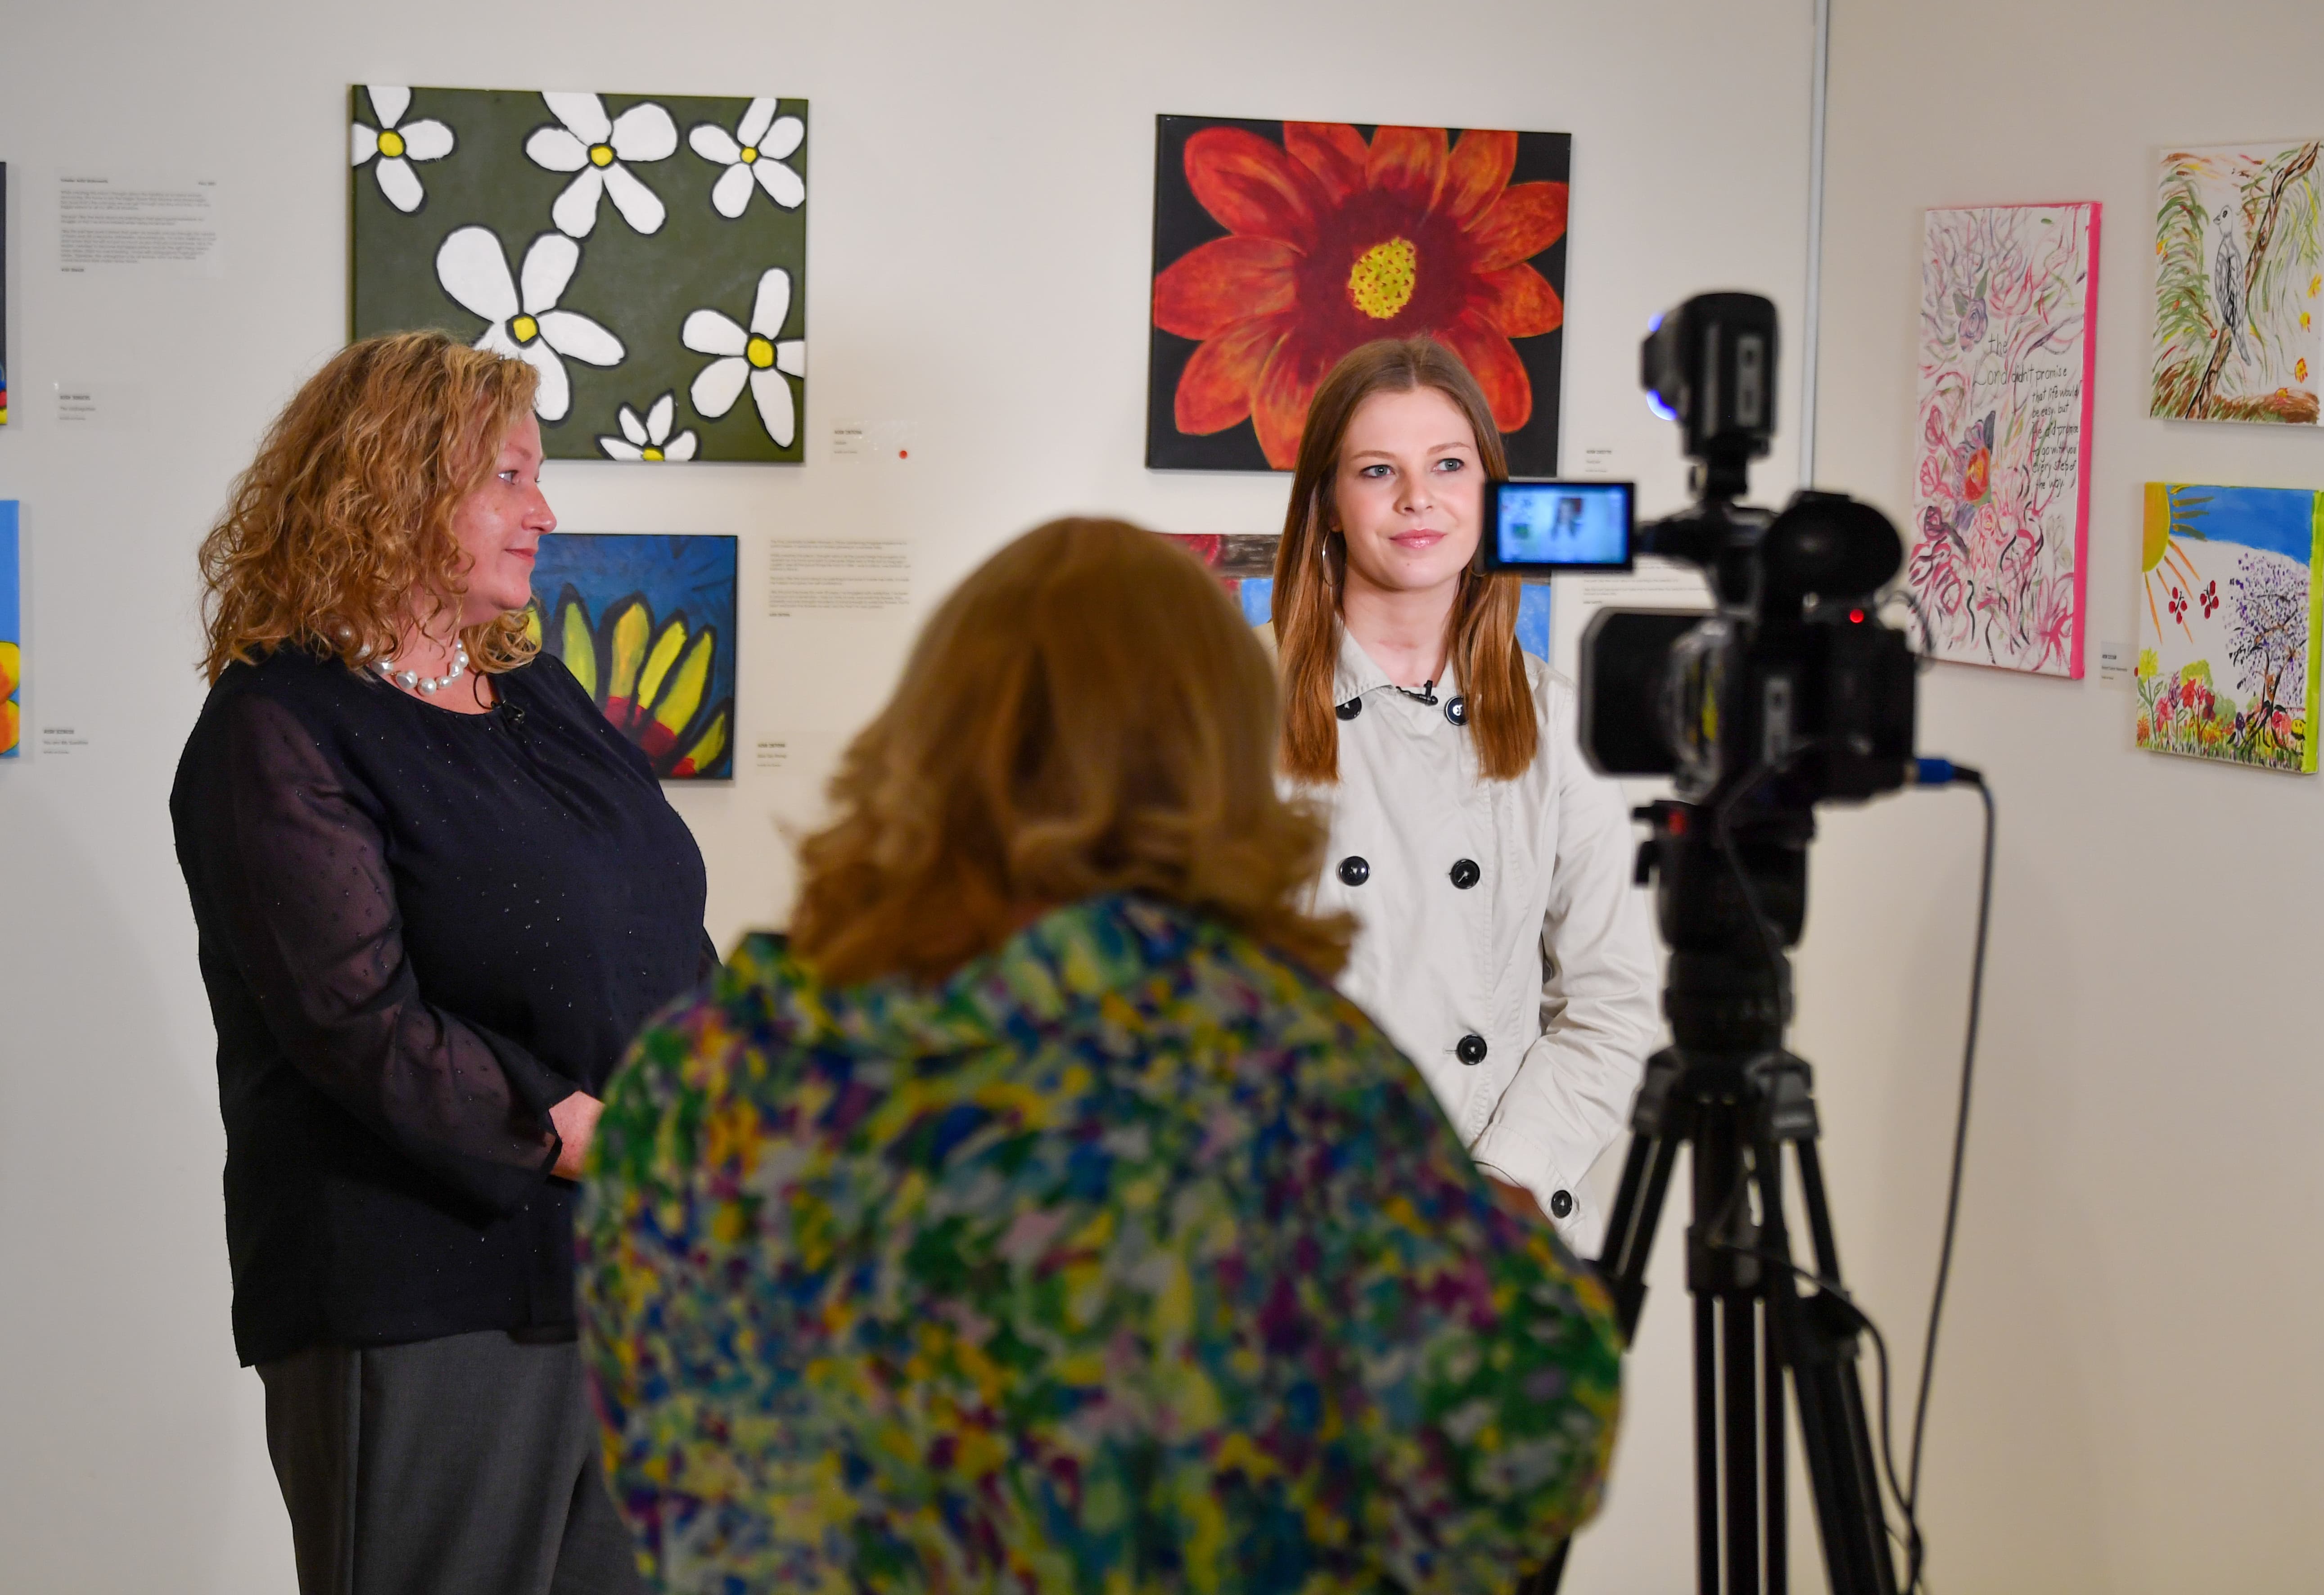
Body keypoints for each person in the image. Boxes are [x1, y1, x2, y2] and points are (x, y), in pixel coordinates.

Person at [574, 519, 1620, 1594]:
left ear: (929, 735)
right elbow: (1530, 1435)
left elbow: (667, 1465)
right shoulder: (1287, 1072)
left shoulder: (710, 1070)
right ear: (1219, 761)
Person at [170, 332, 715, 1595]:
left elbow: (656, 920)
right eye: (513, 477)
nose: (547, 510)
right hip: (422, 1302)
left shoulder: (533, 692)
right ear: (399, 485)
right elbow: (355, 1020)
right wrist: (573, 1126)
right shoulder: (280, 726)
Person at [1267, 338, 1656, 1254]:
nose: (1417, 498)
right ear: (1327, 500)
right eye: (1377, 470)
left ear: (1493, 497)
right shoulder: (1234, 718)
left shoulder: (1563, 722)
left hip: (1489, 1226)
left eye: (1449, 465)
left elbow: (1615, 1005)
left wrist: (1502, 1182)